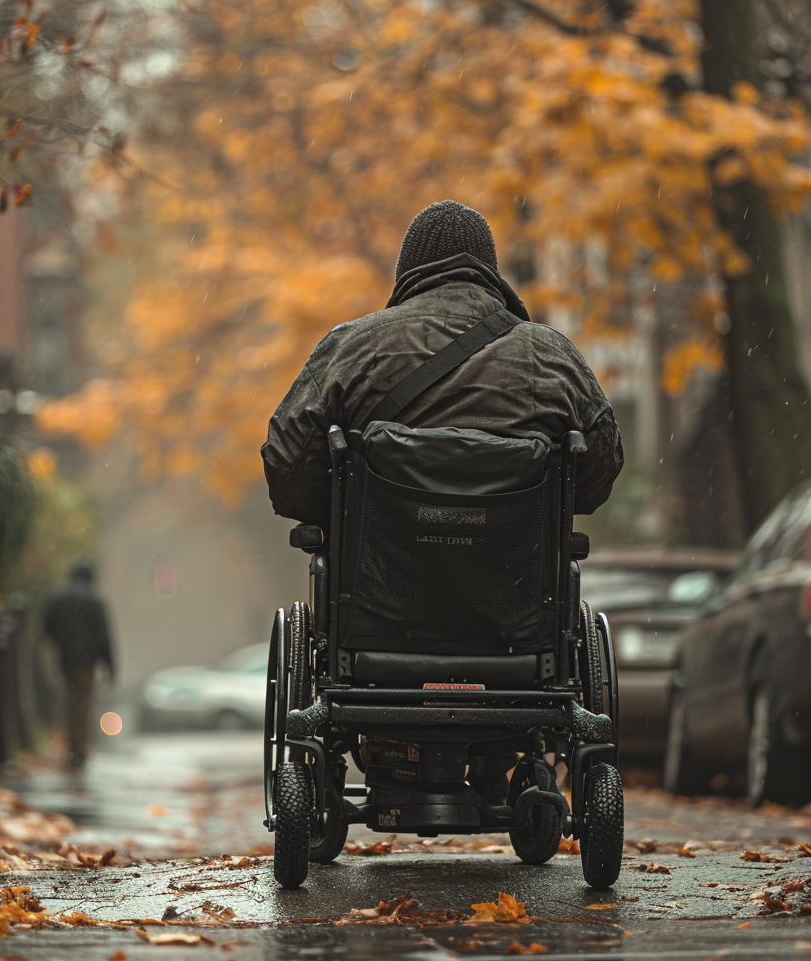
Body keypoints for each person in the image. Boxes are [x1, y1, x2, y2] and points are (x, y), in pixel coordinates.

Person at [260, 199, 624, 808]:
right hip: (516, 632)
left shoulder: (353, 349)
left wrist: (348, 515)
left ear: (408, 271)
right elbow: (599, 475)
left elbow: (286, 469)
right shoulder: (550, 355)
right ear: (490, 269)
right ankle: (508, 760)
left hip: (375, 629)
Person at [41, 557, 115, 771]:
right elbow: (104, 635)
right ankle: (78, 752)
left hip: (65, 659)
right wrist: (109, 665)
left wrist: (60, 643)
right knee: (82, 705)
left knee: (68, 702)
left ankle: (70, 748)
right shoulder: (94, 600)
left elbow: (46, 628)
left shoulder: (57, 597)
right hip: (87, 662)